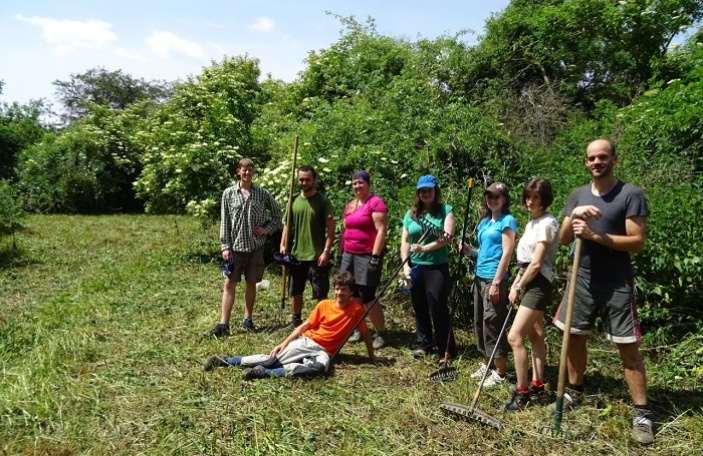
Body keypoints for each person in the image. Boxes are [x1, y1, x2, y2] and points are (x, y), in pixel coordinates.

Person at [552, 139, 652, 445]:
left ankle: (642, 413)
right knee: (574, 335)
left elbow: (636, 242)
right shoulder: (577, 195)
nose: (597, 162)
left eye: (602, 157)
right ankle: (574, 390)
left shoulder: (630, 194)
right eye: (592, 158)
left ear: (614, 159)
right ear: (585, 162)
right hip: (581, 279)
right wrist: (576, 215)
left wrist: (596, 235)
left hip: (616, 283)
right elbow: (566, 239)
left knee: (627, 347)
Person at [203, 272, 385, 379]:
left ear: (351, 292)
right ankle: (225, 360)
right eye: (337, 288)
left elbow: (366, 334)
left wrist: (372, 357)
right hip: (308, 342)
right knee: (271, 360)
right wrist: (285, 342)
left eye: (343, 289)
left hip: (324, 352)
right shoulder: (324, 305)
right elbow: (303, 326)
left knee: (320, 369)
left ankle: (263, 374)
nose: (339, 293)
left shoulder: (357, 310)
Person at [203, 158, 282, 337]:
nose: (247, 172)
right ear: (238, 171)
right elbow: (225, 221)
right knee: (229, 284)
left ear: (254, 172)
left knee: (251, 283)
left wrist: (266, 229)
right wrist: (225, 246)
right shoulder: (228, 194)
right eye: (244, 169)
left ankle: (248, 319)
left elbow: (278, 215)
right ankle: (224, 324)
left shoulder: (262, 194)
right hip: (235, 247)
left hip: (255, 247)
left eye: (250, 169)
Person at [503, 178, 559, 411]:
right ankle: (537, 382)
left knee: (514, 337)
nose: (530, 201)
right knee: (536, 335)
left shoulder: (547, 223)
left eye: (536, 197)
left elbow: (536, 264)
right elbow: (525, 263)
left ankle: (522, 391)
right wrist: (516, 282)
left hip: (538, 284)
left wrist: (518, 286)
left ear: (544, 199)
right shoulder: (531, 223)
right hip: (528, 280)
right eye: (528, 196)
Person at [463, 181, 517, 387]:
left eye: (497, 196)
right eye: (489, 196)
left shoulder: (507, 221)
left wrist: (496, 282)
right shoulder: (485, 222)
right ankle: (487, 365)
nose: (492, 199)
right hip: (479, 276)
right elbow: (484, 251)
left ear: (504, 199)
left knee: (493, 323)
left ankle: (500, 371)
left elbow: (506, 252)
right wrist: (470, 251)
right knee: (479, 322)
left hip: (494, 279)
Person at [401, 174, 456, 361]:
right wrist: (405, 267)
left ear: (435, 191)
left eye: (429, 190)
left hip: (436, 267)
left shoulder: (445, 210)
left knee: (438, 307)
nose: (425, 193)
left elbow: (447, 237)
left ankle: (445, 348)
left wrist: (424, 248)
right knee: (419, 305)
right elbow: (405, 241)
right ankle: (423, 344)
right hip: (415, 266)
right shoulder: (411, 214)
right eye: (422, 190)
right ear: (418, 192)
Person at [279, 165, 335, 330]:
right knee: (295, 290)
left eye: (307, 179)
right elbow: (287, 225)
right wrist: (283, 244)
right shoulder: (293, 199)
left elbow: (331, 229)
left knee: (320, 292)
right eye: (301, 179)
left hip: (316, 256)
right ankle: (295, 321)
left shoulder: (322, 201)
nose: (304, 182)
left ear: (314, 180)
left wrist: (326, 251)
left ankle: (322, 322)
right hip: (296, 255)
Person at [337, 170, 389, 349]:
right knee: (353, 293)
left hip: (367, 254)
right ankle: (358, 327)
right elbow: (344, 232)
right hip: (349, 253)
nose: (357, 186)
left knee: (367, 295)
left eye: (361, 183)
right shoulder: (351, 205)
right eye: (355, 183)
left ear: (368, 184)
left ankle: (380, 332)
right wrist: (339, 254)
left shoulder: (376, 203)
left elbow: (381, 230)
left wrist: (375, 256)